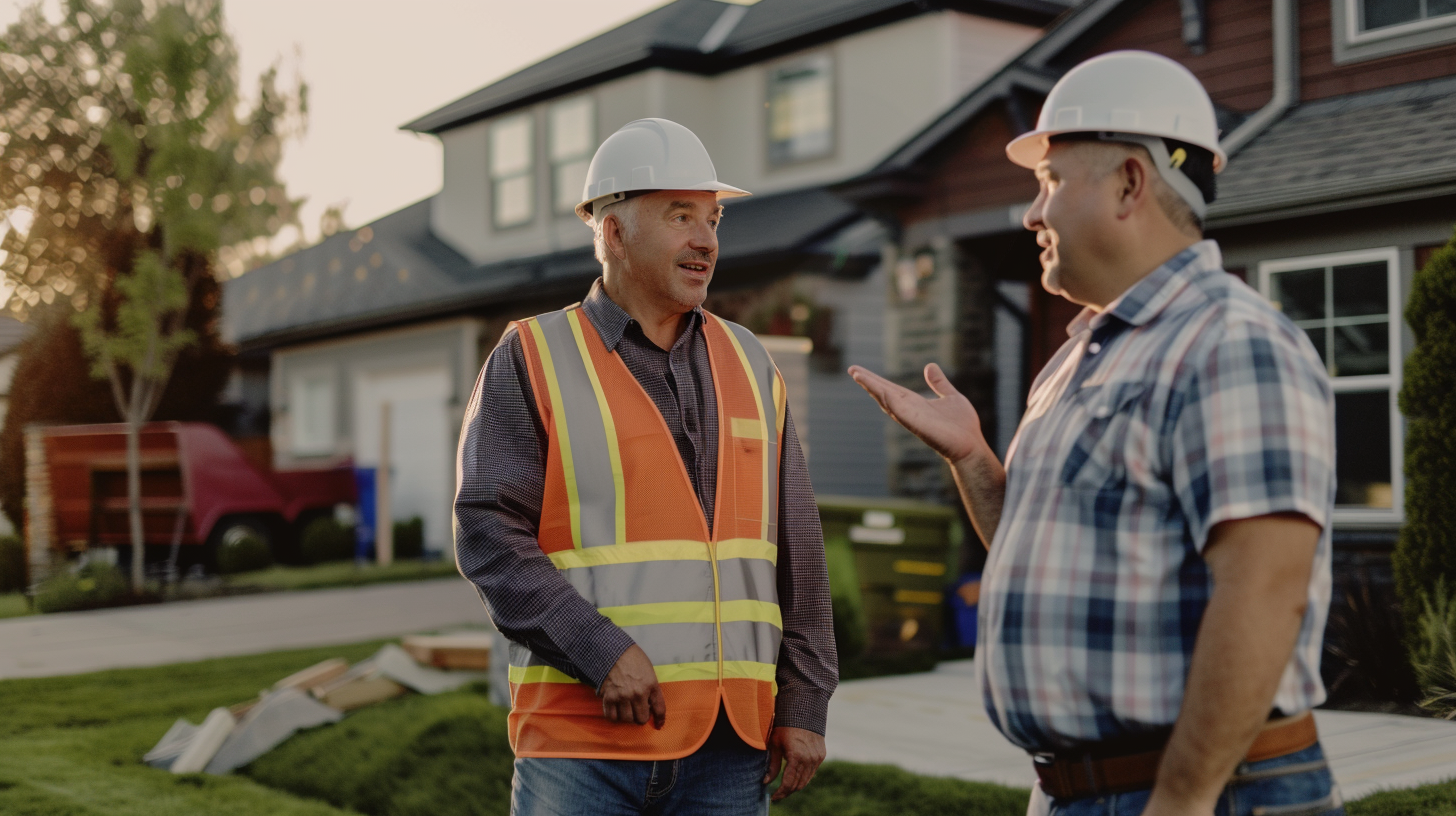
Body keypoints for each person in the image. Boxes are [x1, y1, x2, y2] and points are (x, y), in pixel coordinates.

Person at [850, 51, 1341, 816]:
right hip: (1083, 792)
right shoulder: (1078, 359)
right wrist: (973, 458)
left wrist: (1178, 802)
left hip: (1204, 793)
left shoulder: (1230, 341)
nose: (1031, 214)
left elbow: (1264, 590)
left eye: (1049, 183)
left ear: (1129, 183)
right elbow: (1040, 552)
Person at [454, 117, 837, 816]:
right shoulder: (532, 356)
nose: (707, 240)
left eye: (714, 218)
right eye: (680, 215)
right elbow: (487, 531)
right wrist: (597, 650)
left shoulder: (752, 362)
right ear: (613, 233)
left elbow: (798, 546)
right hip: (581, 749)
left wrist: (807, 699)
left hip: (729, 747)